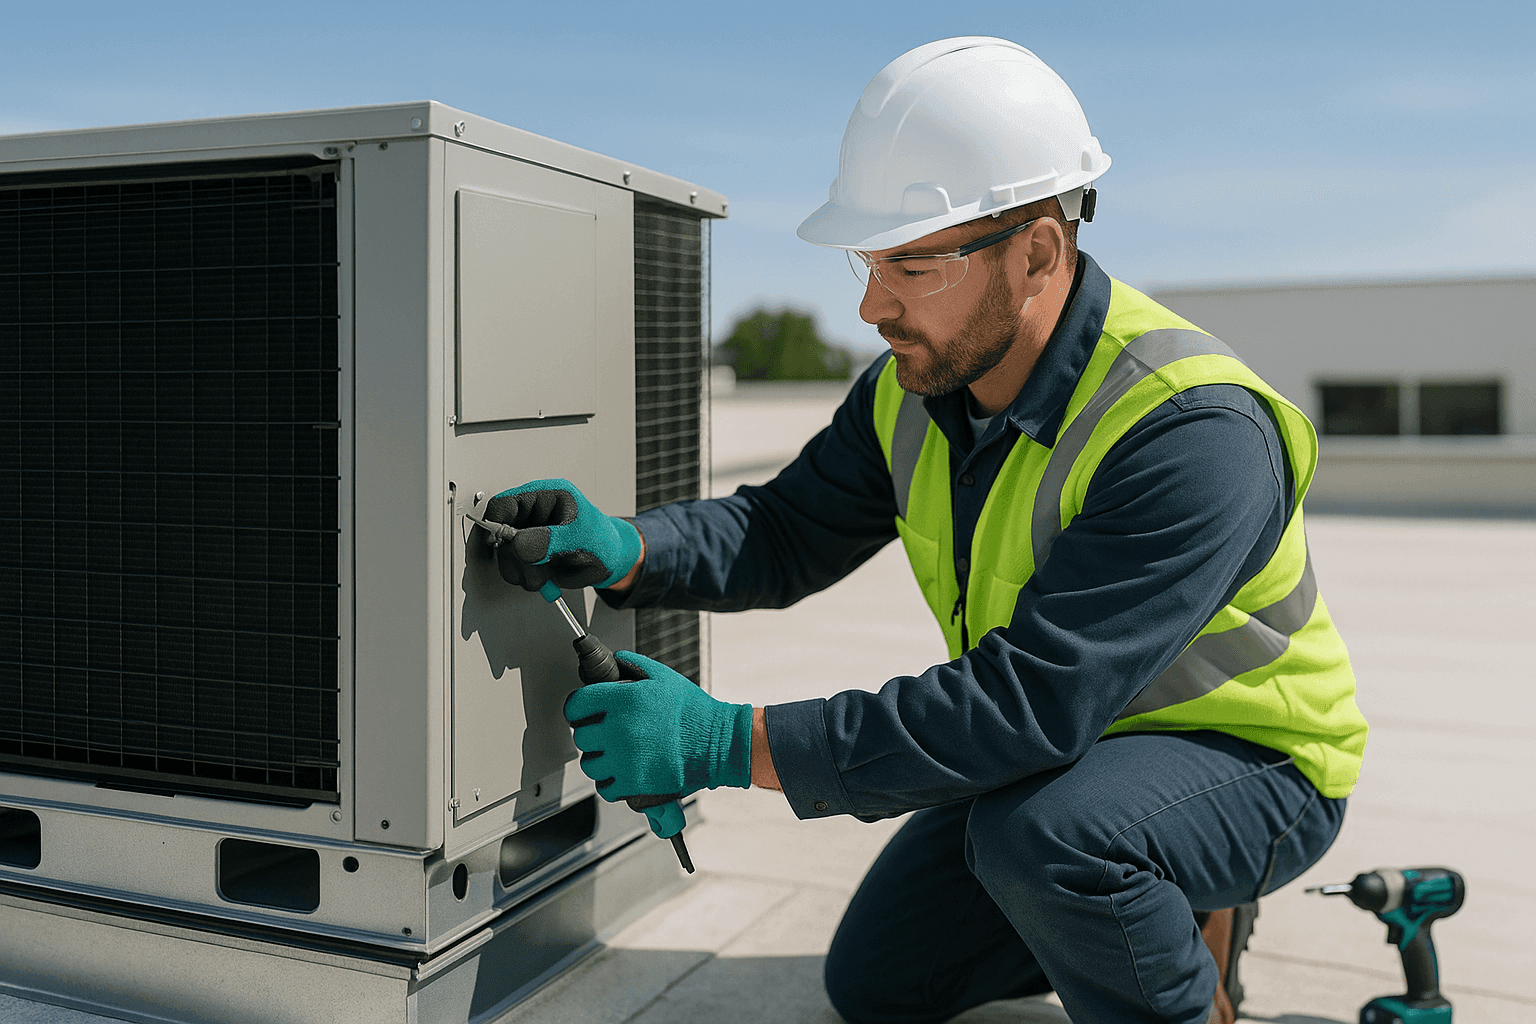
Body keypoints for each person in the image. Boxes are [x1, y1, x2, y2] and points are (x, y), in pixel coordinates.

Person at [484, 37, 1368, 1024]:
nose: (870, 304)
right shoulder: (914, 391)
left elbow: (1027, 703)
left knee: (1048, 840)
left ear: (1038, 250)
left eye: (912, 264)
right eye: (871, 261)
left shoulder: (1190, 430)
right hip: (1072, 752)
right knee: (880, 982)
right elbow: (784, 530)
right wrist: (631, 546)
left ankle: (1195, 965)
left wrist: (724, 741)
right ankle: (1146, 901)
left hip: (1246, 761)